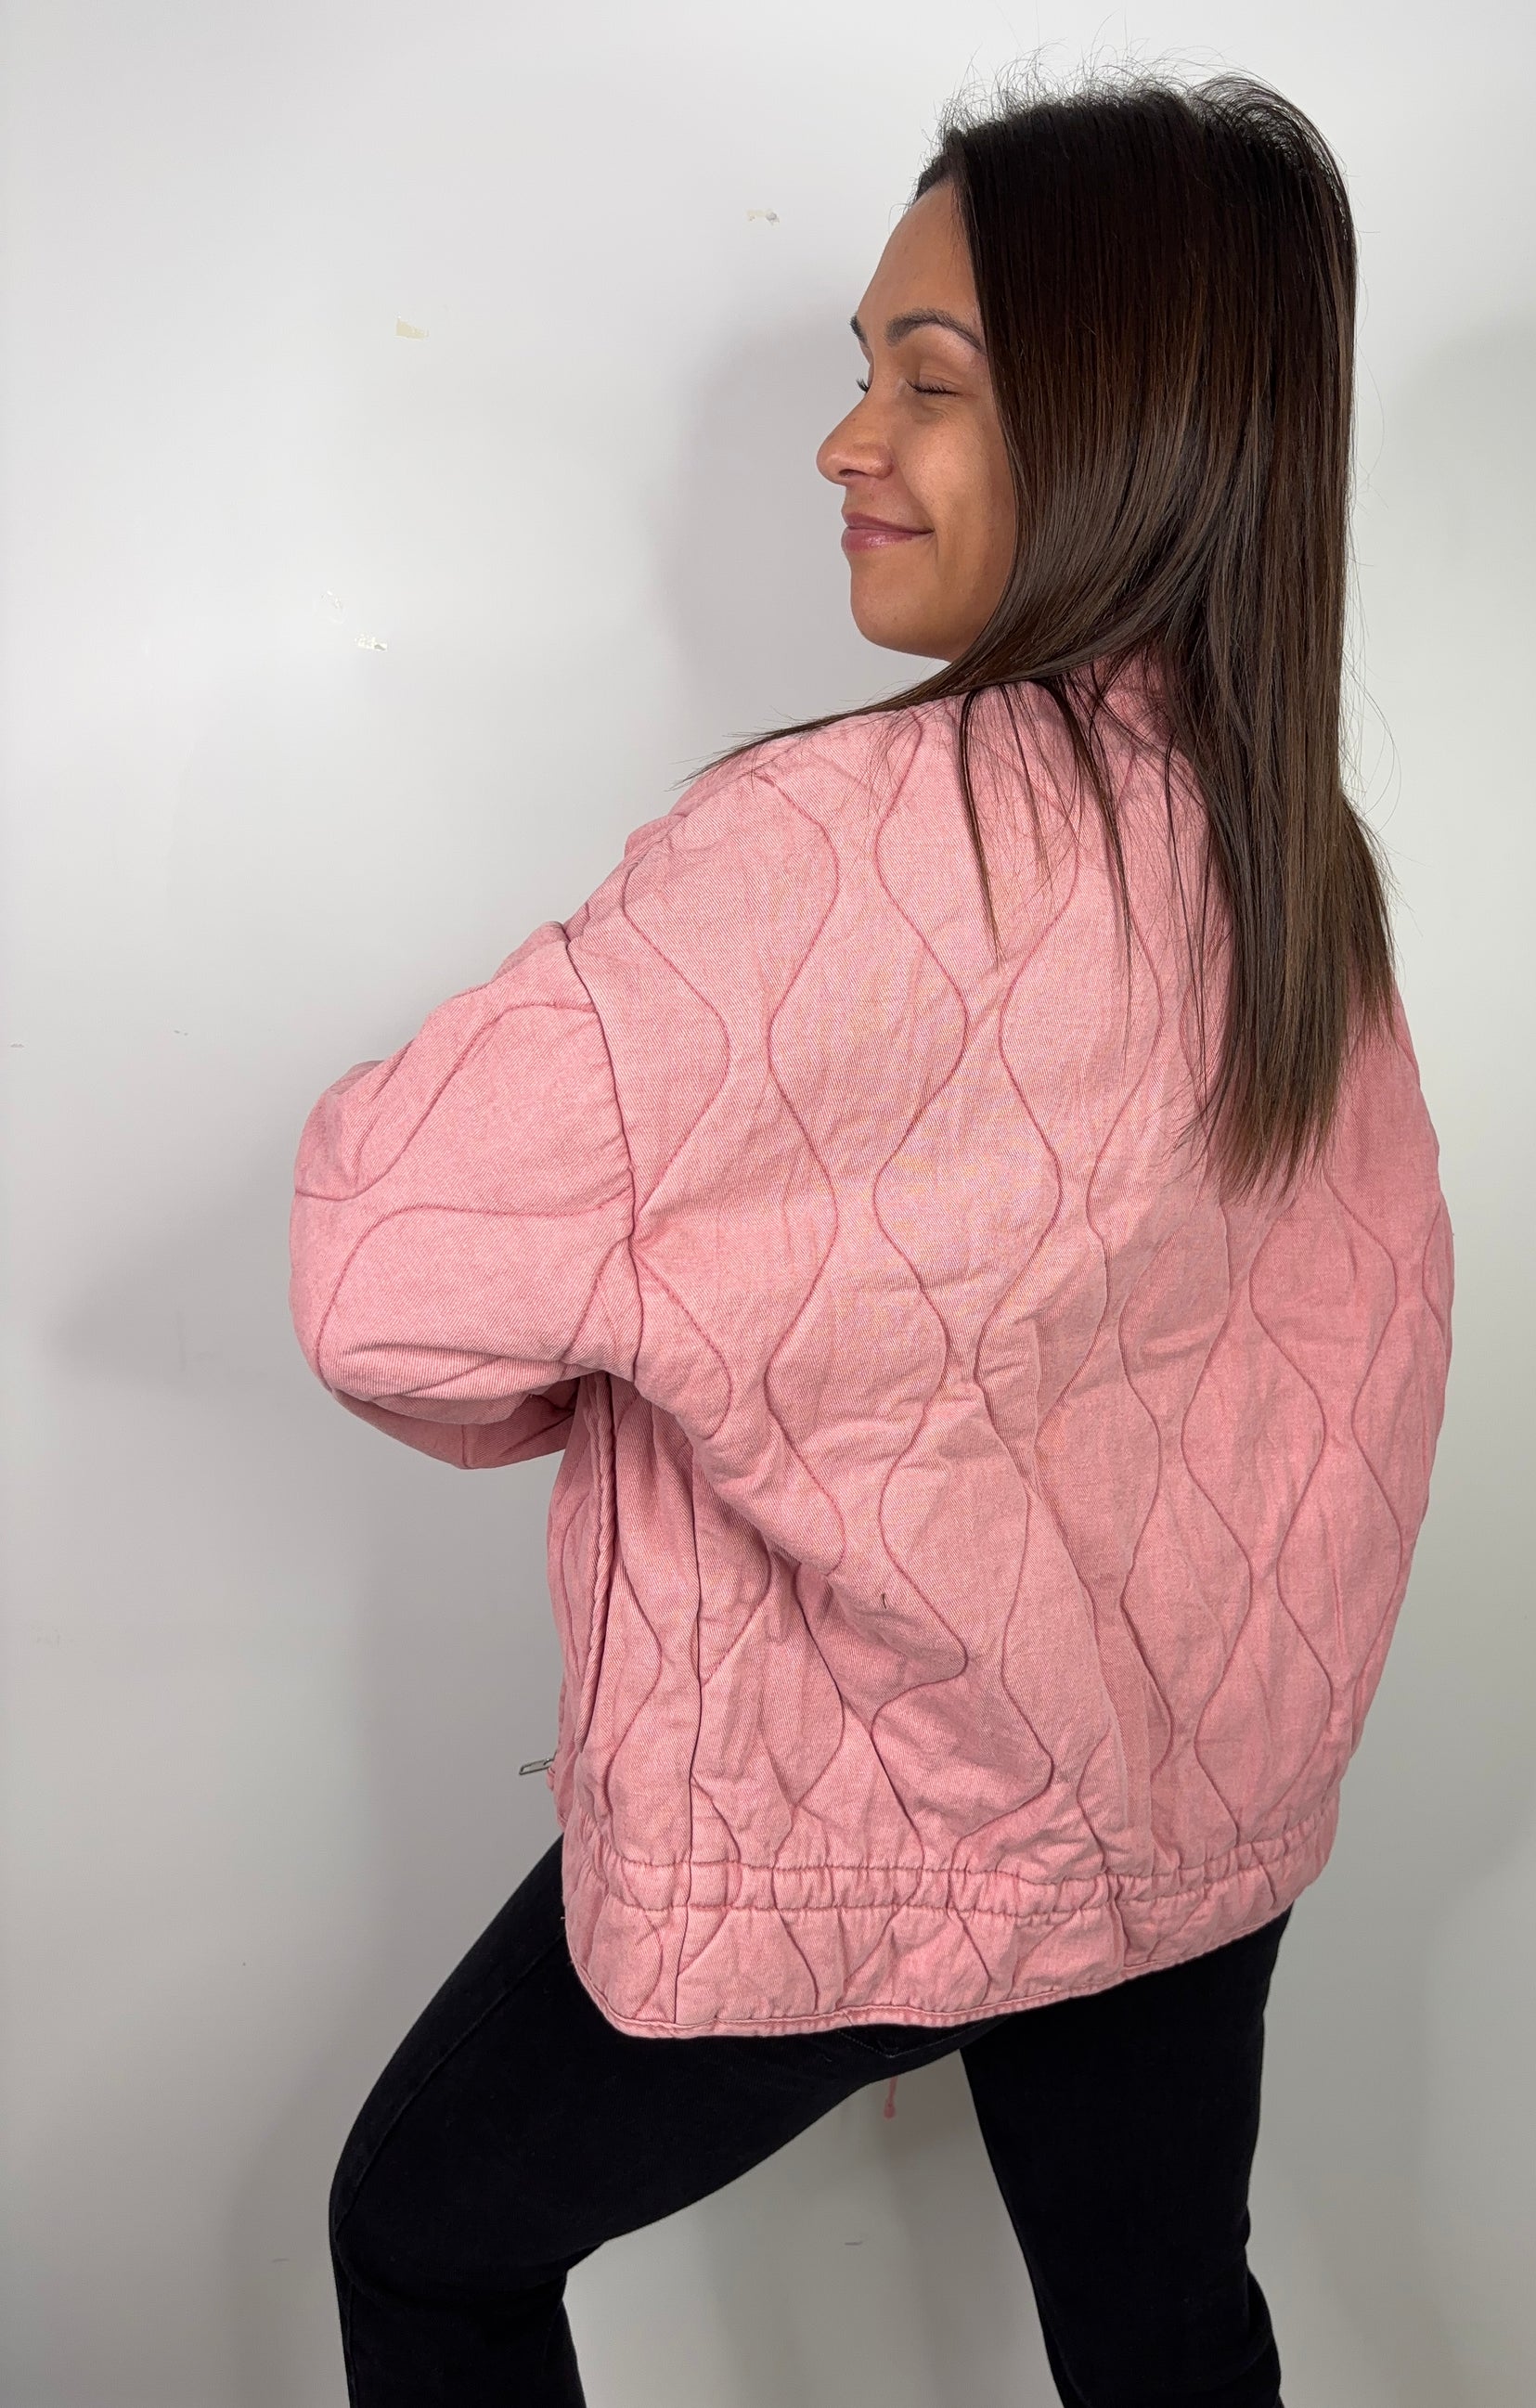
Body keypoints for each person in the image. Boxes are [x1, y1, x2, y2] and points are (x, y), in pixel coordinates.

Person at [290, 66, 1454, 2408]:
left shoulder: (825, 844)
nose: (848, 439)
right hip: (1189, 1789)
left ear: (1131, 426)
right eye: (863, 366)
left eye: (932, 380)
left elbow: (378, 1267)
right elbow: (1350, 1340)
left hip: (879, 1792)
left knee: (420, 2236)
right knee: (1159, 2323)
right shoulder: (1282, 845)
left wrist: (626, 1372)